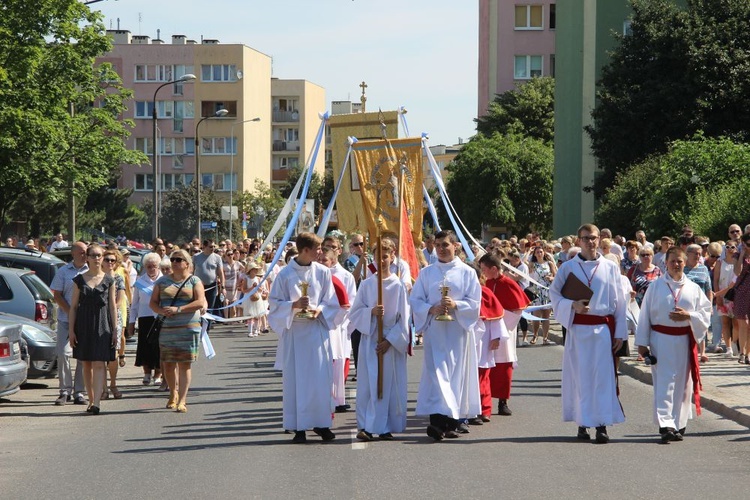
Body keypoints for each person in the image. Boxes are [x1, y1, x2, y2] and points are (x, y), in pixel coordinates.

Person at [549, 224, 627, 444]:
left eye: (593, 238)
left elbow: (620, 303)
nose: (590, 242)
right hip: (578, 331)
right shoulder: (567, 268)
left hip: (602, 330)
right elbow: (555, 295)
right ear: (578, 241)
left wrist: (619, 333)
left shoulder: (610, 267)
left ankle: (602, 425)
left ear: (599, 239)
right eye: (585, 238)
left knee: (602, 379)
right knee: (580, 378)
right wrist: (572, 305)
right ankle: (583, 423)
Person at [267, 232, 342, 444]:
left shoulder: (323, 272)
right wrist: (293, 305)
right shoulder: (285, 275)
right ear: (305, 250)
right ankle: (298, 427)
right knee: (297, 381)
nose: (321, 252)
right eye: (317, 249)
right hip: (296, 333)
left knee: (320, 379)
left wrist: (320, 309)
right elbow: (274, 304)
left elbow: (331, 301)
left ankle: (321, 424)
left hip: (317, 330)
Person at [635, 247, 712, 443]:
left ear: (685, 263)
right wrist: (642, 344)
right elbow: (644, 315)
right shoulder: (655, 287)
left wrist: (689, 316)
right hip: (661, 339)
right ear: (665, 263)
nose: (676, 264)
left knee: (684, 385)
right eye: (672, 261)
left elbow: (705, 313)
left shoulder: (693, 288)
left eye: (679, 261)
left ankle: (678, 423)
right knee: (664, 383)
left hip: (684, 341)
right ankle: (666, 424)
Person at [411, 230, 481, 441]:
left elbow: (475, 302)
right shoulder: (427, 273)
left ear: (455, 246)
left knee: (455, 375)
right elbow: (415, 300)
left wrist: (456, 304)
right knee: (436, 374)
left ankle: (452, 423)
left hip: (457, 331)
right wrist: (430, 309)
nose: (441, 249)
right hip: (435, 331)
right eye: (438, 245)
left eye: (445, 245)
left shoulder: (467, 273)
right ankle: (437, 422)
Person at [348, 238, 409, 440]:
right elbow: (355, 313)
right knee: (368, 384)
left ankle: (384, 426)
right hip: (370, 339)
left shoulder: (398, 285)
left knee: (387, 385)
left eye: (385, 256)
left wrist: (390, 340)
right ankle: (365, 426)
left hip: (389, 341)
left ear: (392, 258)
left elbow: (404, 319)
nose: (381, 260)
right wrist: (371, 312)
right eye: (377, 256)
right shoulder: (367, 284)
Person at [149, 249, 207, 413]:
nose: (174, 262)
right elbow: (153, 303)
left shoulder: (194, 281)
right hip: (167, 328)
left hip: (188, 328)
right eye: (173, 259)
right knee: (168, 364)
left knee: (184, 365)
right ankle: (172, 394)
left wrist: (179, 309)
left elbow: (200, 302)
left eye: (178, 260)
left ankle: (182, 400)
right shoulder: (161, 282)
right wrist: (161, 311)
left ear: (187, 264)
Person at [68, 244, 118, 415]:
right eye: (93, 255)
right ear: (87, 258)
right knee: (86, 364)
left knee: (99, 363)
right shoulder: (79, 280)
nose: (97, 258)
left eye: (99, 255)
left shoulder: (110, 280)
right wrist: (71, 330)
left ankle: (96, 402)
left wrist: (116, 329)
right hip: (83, 324)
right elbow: (73, 307)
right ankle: (90, 399)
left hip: (103, 324)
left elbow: (112, 307)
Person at [479, 252, 529, 416]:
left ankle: (502, 401)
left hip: (505, 330)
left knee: (503, 365)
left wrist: (499, 324)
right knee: (485, 364)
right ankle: (482, 400)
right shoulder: (484, 283)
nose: (482, 272)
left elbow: (518, 309)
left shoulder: (509, 283)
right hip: (486, 330)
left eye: (484, 269)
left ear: (494, 268)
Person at [50, 241, 89, 406]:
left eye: (86, 252)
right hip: (66, 320)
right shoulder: (63, 271)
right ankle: (64, 391)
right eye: (81, 252)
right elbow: (57, 295)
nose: (84, 255)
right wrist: (70, 312)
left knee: (82, 357)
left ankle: (79, 392)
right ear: (73, 254)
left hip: (85, 320)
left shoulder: (91, 271)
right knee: (63, 354)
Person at [322, 236, 357, 413]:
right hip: (321, 323)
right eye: (326, 246)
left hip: (339, 325)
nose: (330, 249)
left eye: (334, 247)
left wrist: (338, 321)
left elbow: (351, 302)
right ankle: (325, 397)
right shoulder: (316, 272)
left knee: (339, 360)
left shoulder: (345, 276)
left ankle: (338, 397)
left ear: (339, 251)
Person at [128, 253, 163, 387]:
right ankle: (147, 373)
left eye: (154, 266)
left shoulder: (164, 280)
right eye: (148, 266)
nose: (151, 269)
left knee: (159, 347)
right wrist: (131, 322)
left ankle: (158, 375)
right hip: (144, 317)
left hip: (159, 317)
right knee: (145, 346)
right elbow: (134, 304)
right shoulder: (139, 282)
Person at [101, 248, 127, 400]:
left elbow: (119, 300)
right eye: (107, 259)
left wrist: (110, 308)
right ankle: (103, 388)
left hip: (114, 317)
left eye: (113, 260)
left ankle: (113, 384)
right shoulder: (97, 277)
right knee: (100, 355)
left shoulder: (118, 278)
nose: (110, 262)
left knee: (113, 353)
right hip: (99, 317)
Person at [684, 244, 713, 363]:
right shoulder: (682, 268)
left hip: (700, 302)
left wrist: (710, 305)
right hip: (686, 302)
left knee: (701, 325)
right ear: (688, 254)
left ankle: (703, 352)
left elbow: (708, 288)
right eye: (695, 253)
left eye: (699, 254)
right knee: (688, 327)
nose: (698, 256)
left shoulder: (704, 268)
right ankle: (688, 349)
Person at [528, 244, 557, 345]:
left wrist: (552, 278)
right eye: (537, 252)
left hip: (547, 290)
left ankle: (545, 337)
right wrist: (529, 251)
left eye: (541, 252)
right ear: (534, 254)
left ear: (544, 253)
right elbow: (524, 266)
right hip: (536, 290)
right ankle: (535, 335)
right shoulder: (532, 264)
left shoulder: (549, 263)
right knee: (536, 315)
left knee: (546, 315)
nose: (539, 254)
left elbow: (556, 275)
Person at [714, 241, 739, 357]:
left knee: (736, 322)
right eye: (727, 247)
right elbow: (716, 279)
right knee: (725, 322)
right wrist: (717, 295)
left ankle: (735, 345)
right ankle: (728, 348)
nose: (730, 249)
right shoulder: (720, 262)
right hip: (723, 295)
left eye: (732, 247)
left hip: (735, 295)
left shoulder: (738, 263)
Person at [193, 239, 225, 317]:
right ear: (204, 246)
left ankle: (207, 328)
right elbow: (191, 272)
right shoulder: (196, 257)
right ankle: (200, 327)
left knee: (210, 308)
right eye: (210, 246)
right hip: (199, 287)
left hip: (212, 286)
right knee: (200, 307)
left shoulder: (217, 257)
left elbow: (221, 273)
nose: (213, 248)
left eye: (214, 246)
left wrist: (223, 287)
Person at [732, 232, 750, 365]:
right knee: (743, 323)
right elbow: (737, 272)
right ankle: (742, 353)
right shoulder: (738, 255)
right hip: (742, 292)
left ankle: (748, 354)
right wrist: (743, 254)